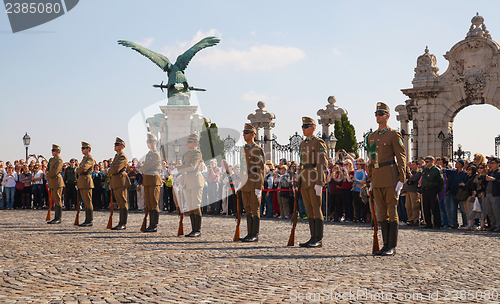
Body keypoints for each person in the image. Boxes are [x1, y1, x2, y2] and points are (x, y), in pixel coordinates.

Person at [367, 102, 406, 256]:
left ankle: (392, 246)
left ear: (387, 116)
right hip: (377, 176)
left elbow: (401, 157)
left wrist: (401, 178)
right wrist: (370, 179)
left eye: (381, 114)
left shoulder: (393, 134)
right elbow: (371, 159)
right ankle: (385, 245)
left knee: (391, 210)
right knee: (381, 213)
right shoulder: (371, 137)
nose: (378, 116)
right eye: (376, 114)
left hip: (390, 175)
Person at [296, 117, 328, 248]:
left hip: (314, 177)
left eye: (306, 126)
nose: (303, 129)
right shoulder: (303, 144)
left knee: (316, 208)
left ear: (313, 127)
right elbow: (302, 163)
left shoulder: (318, 142)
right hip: (305, 179)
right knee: (309, 210)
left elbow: (322, 163)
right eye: (302, 126)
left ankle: (318, 238)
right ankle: (312, 236)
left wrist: (320, 181)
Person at [238, 123, 265, 242]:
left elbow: (260, 169)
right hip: (245, 183)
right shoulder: (243, 149)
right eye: (243, 132)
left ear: (253, 134)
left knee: (255, 209)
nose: (244, 135)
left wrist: (259, 186)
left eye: (246, 133)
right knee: (247, 208)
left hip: (254, 182)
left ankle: (255, 234)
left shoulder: (257, 149)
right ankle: (249, 233)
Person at [176, 133, 205, 237]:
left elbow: (192, 166)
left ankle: (197, 230)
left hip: (195, 180)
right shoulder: (185, 154)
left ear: (195, 143)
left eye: (190, 141)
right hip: (187, 180)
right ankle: (193, 229)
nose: (188, 143)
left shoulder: (197, 153)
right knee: (190, 206)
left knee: (196, 205)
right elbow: (185, 167)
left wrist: (178, 168)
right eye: (187, 141)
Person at [141, 134, 162, 233]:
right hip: (148, 180)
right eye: (147, 142)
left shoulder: (155, 154)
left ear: (155, 142)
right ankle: (150, 224)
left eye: (150, 142)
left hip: (153, 180)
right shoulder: (149, 154)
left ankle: (154, 225)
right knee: (149, 203)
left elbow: (146, 167)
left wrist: (141, 168)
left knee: (153, 203)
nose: (148, 144)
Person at [108, 137, 131, 230]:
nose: (115, 146)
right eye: (115, 144)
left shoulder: (122, 156)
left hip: (121, 180)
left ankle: (123, 223)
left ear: (121, 146)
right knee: (119, 202)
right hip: (116, 181)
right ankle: (120, 222)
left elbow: (116, 169)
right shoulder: (117, 156)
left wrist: (109, 171)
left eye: (117, 145)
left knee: (122, 202)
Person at [420, 156, 444, 229]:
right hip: (425, 190)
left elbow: (441, 181)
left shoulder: (436, 170)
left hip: (433, 189)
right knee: (426, 208)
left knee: (434, 208)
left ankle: (437, 224)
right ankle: (428, 223)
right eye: (425, 162)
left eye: (427, 162)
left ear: (432, 162)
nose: (426, 163)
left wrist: (437, 190)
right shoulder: (425, 170)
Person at [76, 141, 95, 227]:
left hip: (87, 181)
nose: (82, 150)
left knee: (88, 201)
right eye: (81, 148)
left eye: (83, 148)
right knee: (85, 201)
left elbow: (83, 169)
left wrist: (78, 169)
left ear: (88, 149)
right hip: (82, 180)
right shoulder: (84, 158)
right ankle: (87, 219)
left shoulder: (90, 159)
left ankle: (89, 220)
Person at [47, 144, 65, 224]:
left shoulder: (59, 160)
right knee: (54, 199)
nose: (52, 152)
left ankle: (58, 218)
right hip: (52, 181)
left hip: (57, 181)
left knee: (57, 200)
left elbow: (55, 171)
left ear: (58, 152)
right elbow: (49, 169)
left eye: (54, 150)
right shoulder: (51, 160)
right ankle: (55, 217)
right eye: (52, 150)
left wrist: (48, 174)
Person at [484, 158, 500, 232]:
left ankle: (498, 225)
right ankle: (493, 225)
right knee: (489, 211)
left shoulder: (499, 172)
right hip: (488, 193)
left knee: (496, 211)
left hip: (495, 194)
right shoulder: (490, 172)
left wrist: (494, 179)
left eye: (493, 163)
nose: (491, 164)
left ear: (498, 164)